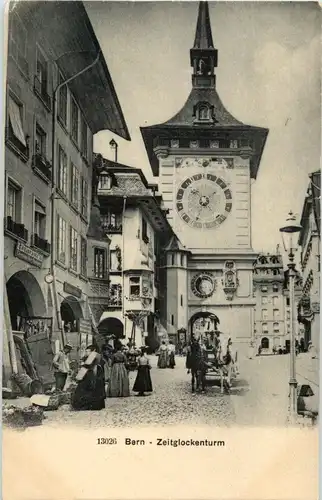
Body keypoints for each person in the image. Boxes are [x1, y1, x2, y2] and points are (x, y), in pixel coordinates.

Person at [71, 345, 106, 411]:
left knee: (87, 388)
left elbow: (88, 365)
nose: (86, 352)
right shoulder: (98, 355)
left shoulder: (93, 355)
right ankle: (95, 405)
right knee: (96, 388)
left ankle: (86, 405)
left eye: (87, 351)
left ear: (93, 351)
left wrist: (82, 365)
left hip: (91, 373)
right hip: (95, 373)